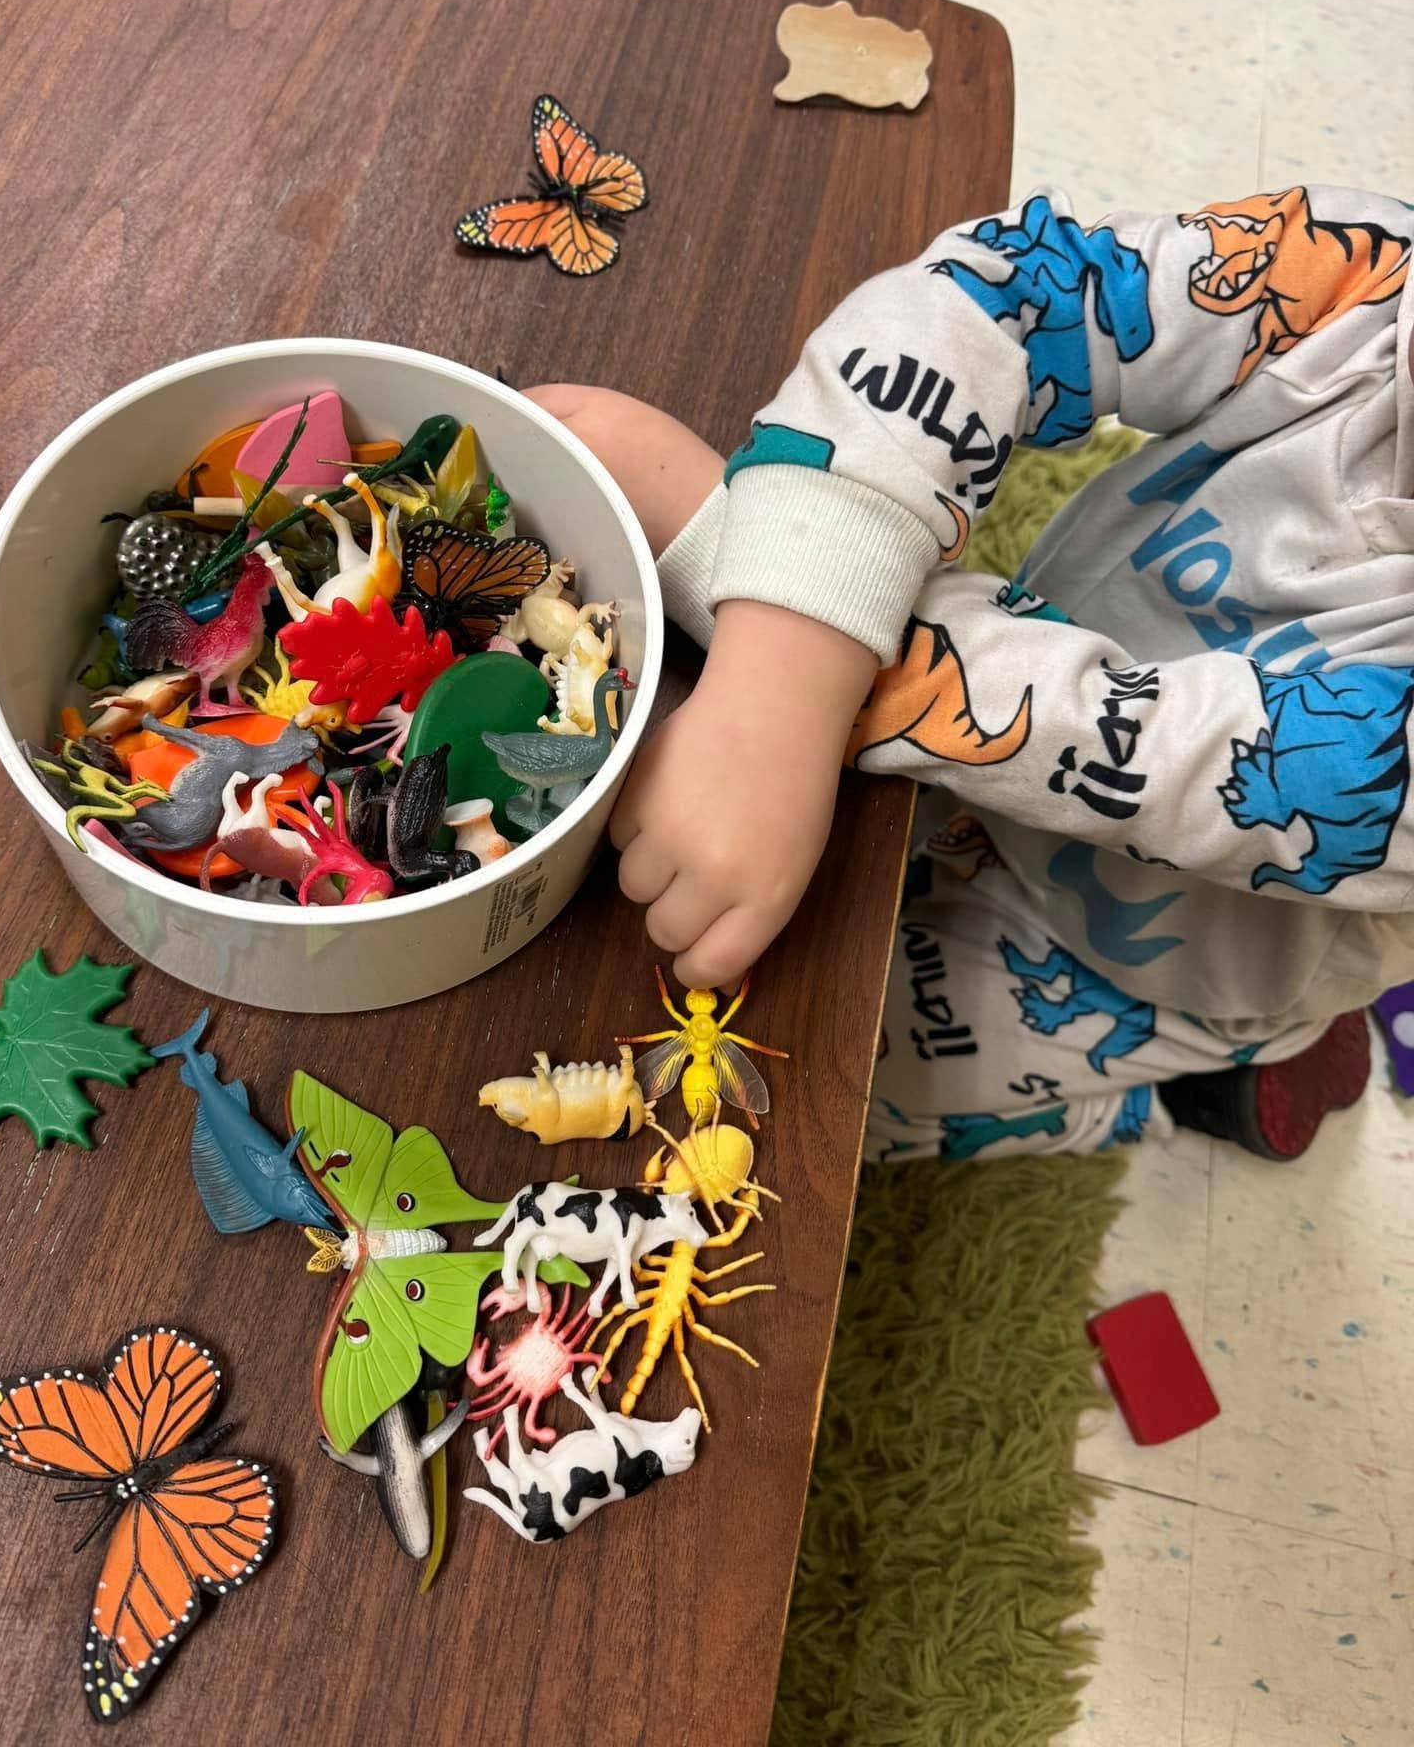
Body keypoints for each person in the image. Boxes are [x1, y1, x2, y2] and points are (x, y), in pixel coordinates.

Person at [528, 184, 1414, 1161]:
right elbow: (1003, 290)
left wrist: (756, 634)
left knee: (856, 1096)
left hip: (1162, 955)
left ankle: (1184, 1091)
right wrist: (781, 657)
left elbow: (1136, 748)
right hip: (1068, 675)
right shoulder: (1375, 279)